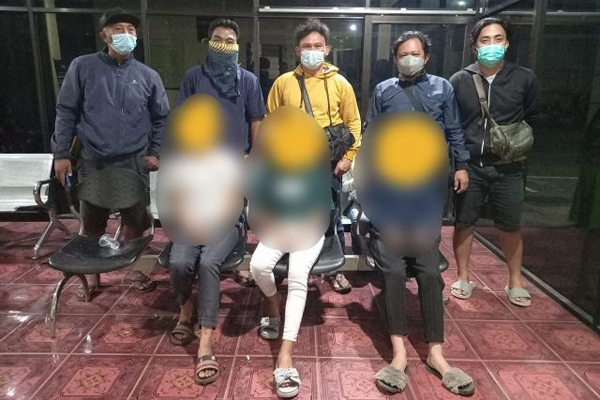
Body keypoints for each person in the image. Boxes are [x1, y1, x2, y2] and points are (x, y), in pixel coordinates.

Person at [365, 31, 474, 396]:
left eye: (414, 53)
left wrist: (461, 164)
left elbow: (454, 129)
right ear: (395, 58)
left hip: (426, 191)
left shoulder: (443, 88)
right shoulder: (384, 91)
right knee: (394, 270)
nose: (408, 58)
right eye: (402, 54)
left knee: (429, 272)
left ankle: (436, 354)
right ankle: (398, 355)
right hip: (390, 199)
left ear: (426, 56)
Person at [166, 18, 265, 386]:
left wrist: (253, 156)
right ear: (209, 43)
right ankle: (186, 308)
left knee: (209, 261)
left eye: (231, 40)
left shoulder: (248, 81)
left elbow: (256, 120)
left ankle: (205, 341)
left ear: (238, 45)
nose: (225, 45)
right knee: (179, 261)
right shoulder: (195, 78)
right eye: (219, 39)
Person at [51, 8, 169, 300]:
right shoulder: (83, 67)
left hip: (134, 160)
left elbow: (161, 118)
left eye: (131, 30)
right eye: (118, 29)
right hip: (94, 159)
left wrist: (155, 151)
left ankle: (135, 270)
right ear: (104, 36)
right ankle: (91, 278)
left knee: (136, 221)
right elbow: (66, 111)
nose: (126, 35)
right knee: (92, 222)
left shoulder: (148, 76)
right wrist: (61, 153)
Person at [266, 18, 361, 294]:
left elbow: (353, 122)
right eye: (306, 46)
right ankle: (287, 262)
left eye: (318, 46)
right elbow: (271, 120)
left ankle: (333, 270)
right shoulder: (284, 83)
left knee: (331, 217)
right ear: (297, 51)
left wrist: (348, 157)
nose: (312, 50)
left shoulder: (340, 84)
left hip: (328, 165)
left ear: (327, 49)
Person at [449, 17, 539, 307]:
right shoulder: (460, 79)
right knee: (464, 223)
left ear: (507, 43)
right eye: (485, 40)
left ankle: (515, 281)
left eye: (498, 39)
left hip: (509, 167)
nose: (492, 45)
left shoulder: (524, 78)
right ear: (475, 46)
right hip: (471, 166)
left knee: (510, 226)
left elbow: (533, 117)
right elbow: (453, 125)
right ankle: (463, 277)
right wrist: (460, 165)